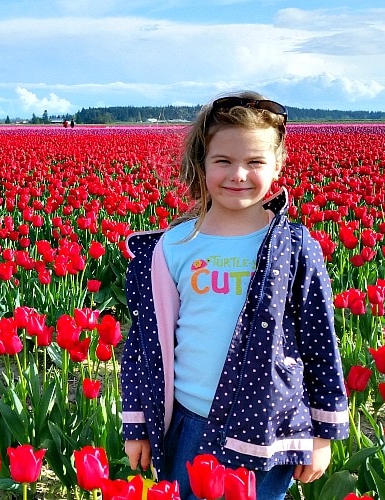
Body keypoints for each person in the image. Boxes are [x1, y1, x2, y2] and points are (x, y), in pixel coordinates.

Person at [121, 91, 349, 499]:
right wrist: (138, 424)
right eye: (223, 160)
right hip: (189, 421)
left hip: (267, 423)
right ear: (201, 164)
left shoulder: (295, 246)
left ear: (277, 164)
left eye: (255, 162)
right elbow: (144, 345)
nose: (238, 174)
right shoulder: (172, 247)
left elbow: (320, 342)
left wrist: (322, 433)